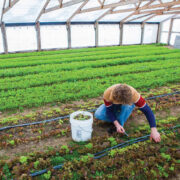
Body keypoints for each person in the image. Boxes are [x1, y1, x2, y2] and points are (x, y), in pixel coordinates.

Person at [94, 83, 161, 143]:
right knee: (98, 114)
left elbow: (147, 111)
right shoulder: (107, 94)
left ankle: (120, 124)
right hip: (113, 104)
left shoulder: (134, 95)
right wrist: (116, 124)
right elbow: (109, 110)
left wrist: (154, 130)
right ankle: (118, 122)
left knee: (125, 108)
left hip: (126, 105)